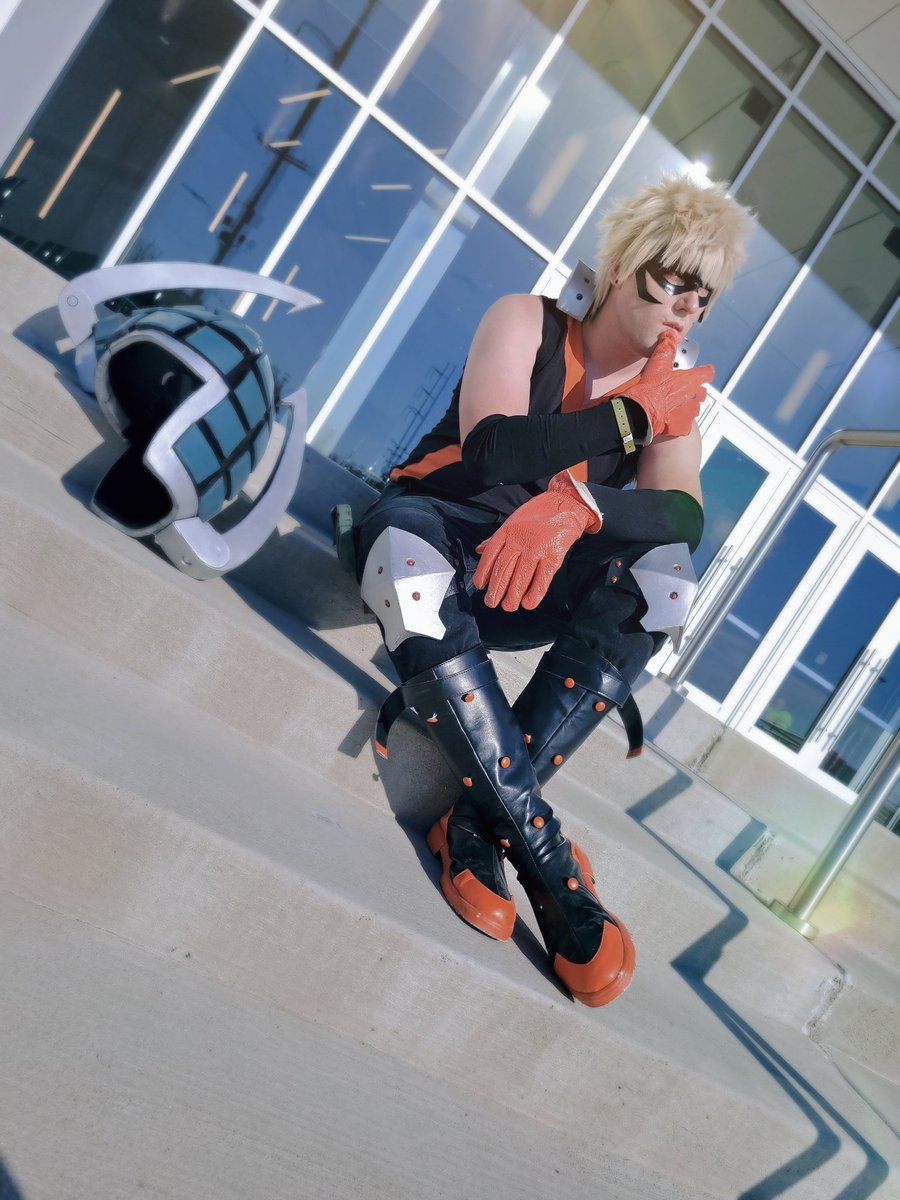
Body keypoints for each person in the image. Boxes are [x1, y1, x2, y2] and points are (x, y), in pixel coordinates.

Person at [357, 175, 755, 1007]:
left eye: (705, 297)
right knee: (403, 557)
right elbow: (493, 450)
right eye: (675, 281)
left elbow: (683, 514)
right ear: (624, 266)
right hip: (443, 534)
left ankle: (476, 821)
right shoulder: (526, 319)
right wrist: (629, 417)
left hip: (532, 585)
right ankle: (546, 859)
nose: (687, 308)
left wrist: (582, 505)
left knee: (668, 583)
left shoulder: (674, 399)